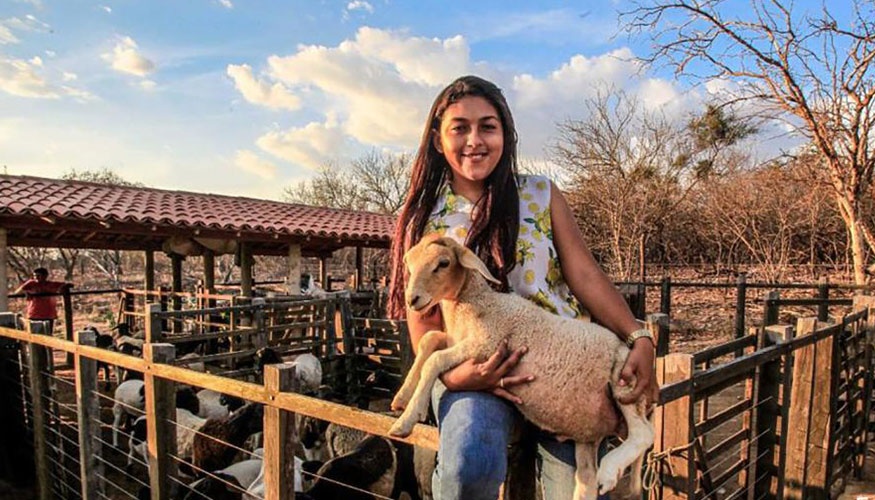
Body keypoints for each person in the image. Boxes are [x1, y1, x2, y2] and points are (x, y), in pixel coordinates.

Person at [386, 75, 660, 500]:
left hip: (563, 361)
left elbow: (584, 274)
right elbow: (420, 311)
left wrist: (638, 336)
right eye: (459, 127)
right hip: (477, 363)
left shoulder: (539, 194)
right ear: (439, 140)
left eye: (488, 126)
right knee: (467, 467)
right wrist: (457, 377)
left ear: (505, 135)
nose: (474, 140)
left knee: (583, 489)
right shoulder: (425, 219)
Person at [13, 267, 72, 333]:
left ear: (45, 276)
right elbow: (17, 292)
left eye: (38, 275)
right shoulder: (31, 284)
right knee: (34, 334)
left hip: (48, 314)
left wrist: (62, 289)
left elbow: (67, 285)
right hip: (34, 314)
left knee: (48, 333)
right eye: (35, 276)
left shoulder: (51, 284)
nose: (36, 277)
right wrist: (27, 292)